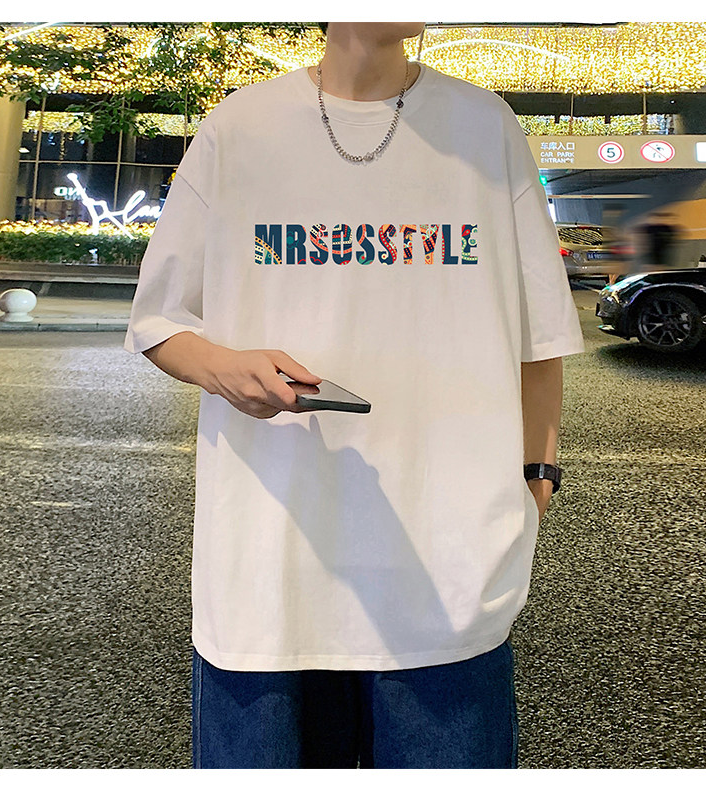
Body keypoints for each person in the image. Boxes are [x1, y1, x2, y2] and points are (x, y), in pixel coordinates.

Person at [123, 21, 585, 769]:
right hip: (270, 555)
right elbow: (158, 320)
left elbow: (540, 334)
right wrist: (222, 367)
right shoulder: (240, 126)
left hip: (448, 556)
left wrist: (538, 476)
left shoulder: (483, 125)